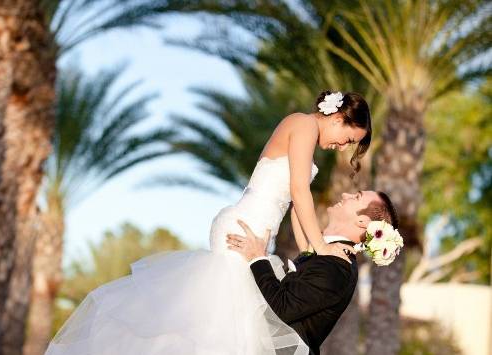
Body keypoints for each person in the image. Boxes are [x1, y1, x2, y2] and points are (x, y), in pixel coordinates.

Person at [45, 91, 372, 355]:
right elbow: (300, 192)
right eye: (347, 138)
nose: (342, 148)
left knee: (232, 329)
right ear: (337, 116)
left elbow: (292, 205)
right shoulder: (303, 124)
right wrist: (322, 247)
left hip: (255, 232)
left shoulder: (307, 136)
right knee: (219, 334)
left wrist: (309, 255)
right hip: (244, 228)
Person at [226, 190, 399, 355]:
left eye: (356, 197)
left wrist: (257, 258)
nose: (346, 195)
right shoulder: (325, 251)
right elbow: (300, 212)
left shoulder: (338, 268)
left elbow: (282, 307)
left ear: (362, 222)